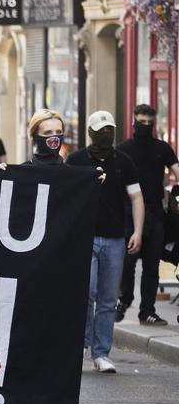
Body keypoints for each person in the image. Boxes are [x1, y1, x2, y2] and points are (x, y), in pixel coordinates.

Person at [67, 111, 144, 373]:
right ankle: (81, 346)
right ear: (90, 133)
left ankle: (101, 353)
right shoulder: (76, 160)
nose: (106, 134)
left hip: (114, 238)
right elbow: (63, 195)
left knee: (109, 299)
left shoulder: (124, 162)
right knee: (85, 294)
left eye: (110, 129)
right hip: (84, 237)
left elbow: (136, 198)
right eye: (101, 130)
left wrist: (138, 231)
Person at [116, 104, 179, 325]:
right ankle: (124, 299)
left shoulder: (161, 148)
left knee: (152, 266)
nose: (144, 126)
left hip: (154, 211)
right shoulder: (123, 149)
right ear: (133, 120)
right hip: (128, 213)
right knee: (127, 262)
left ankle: (147, 311)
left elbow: (176, 170)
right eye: (141, 122)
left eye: (148, 123)